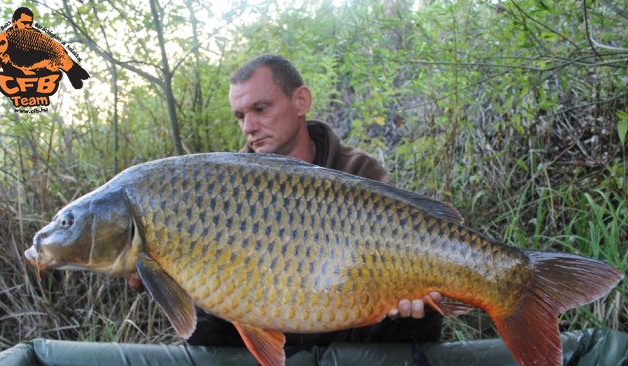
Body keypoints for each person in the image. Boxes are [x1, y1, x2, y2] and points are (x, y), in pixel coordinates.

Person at [185, 54, 444, 346]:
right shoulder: (224, 188)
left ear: (301, 101)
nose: (248, 127)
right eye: (241, 116)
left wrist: (407, 302)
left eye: (260, 109)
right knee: (204, 320)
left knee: (420, 315)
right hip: (257, 333)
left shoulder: (358, 171)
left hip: (348, 338)